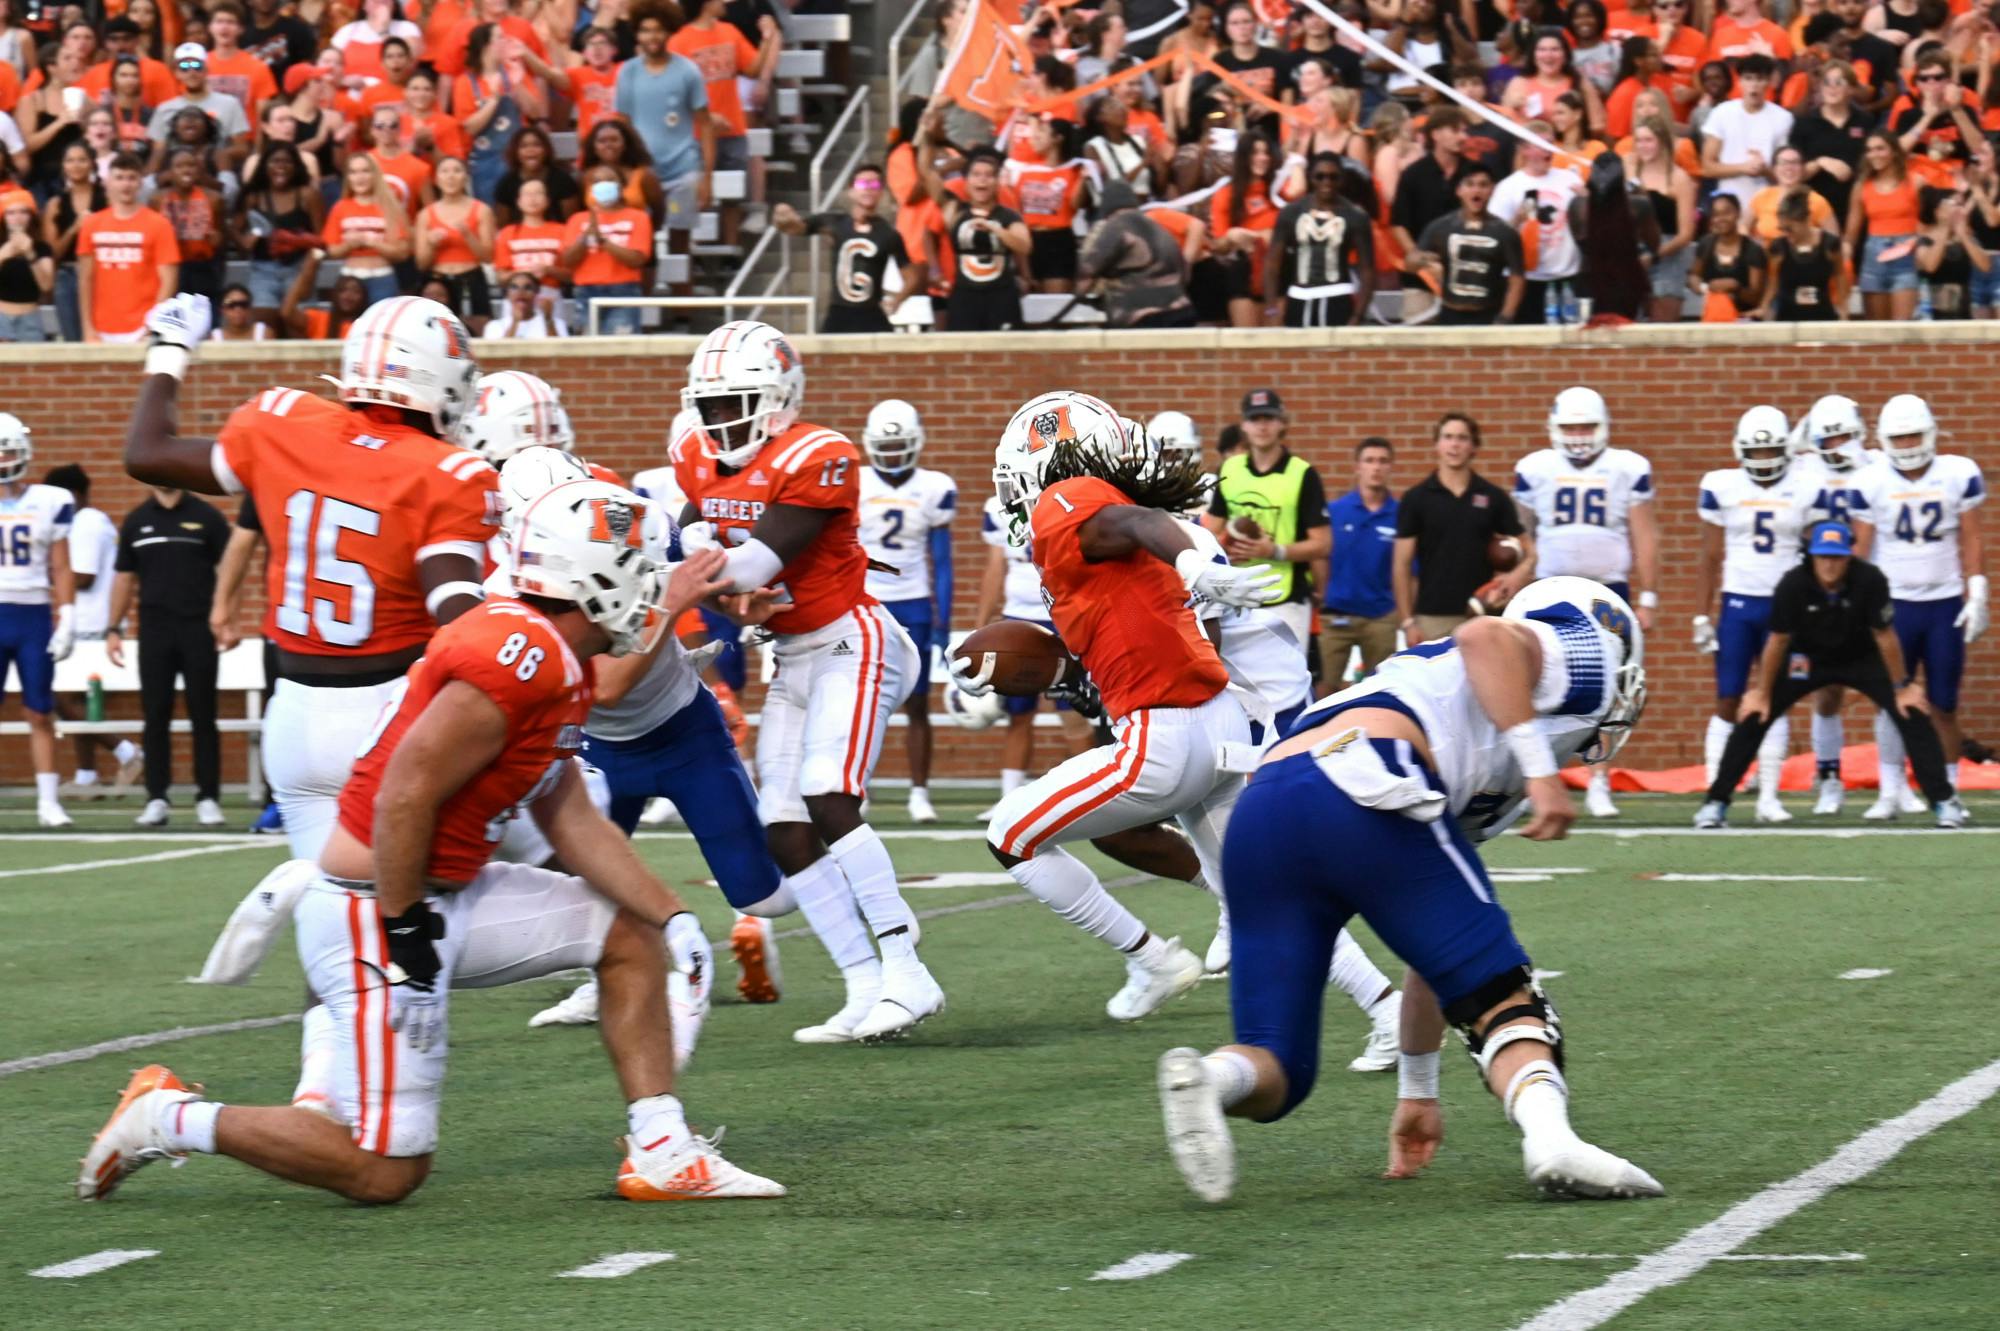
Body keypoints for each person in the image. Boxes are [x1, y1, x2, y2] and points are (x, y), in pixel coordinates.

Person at [79, 489, 787, 1206]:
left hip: (445, 893)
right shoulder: (525, 653)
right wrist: (408, 930)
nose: (652, 586)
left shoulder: (564, 658)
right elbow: (404, 792)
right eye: (640, 568)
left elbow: (569, 815)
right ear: (594, 576)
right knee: (384, 1172)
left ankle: (662, 1148)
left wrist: (673, 916)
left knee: (626, 933)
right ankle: (165, 1116)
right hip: (375, 909)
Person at [1157, 577, 1661, 1205]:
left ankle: (1209, 1078)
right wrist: (1541, 773)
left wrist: (1418, 1090)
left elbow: (1438, 953)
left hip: (1268, 807)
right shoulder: (1576, 645)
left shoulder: (1478, 732)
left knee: (1281, 1066)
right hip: (1368, 772)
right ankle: (1552, 1141)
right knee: (1507, 997)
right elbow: (1483, 635)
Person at [128, 291, 498, 1078]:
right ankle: (315, 880)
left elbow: (147, 452)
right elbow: (454, 606)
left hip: (294, 718)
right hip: (386, 710)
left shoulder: (282, 421)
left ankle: (316, 1090)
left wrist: (168, 349)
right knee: (484, 853)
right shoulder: (449, 472)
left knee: (341, 926)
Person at [448, 388, 783, 1022]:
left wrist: (733, 604)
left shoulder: (635, 522)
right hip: (595, 743)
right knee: (583, 879)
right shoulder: (506, 590)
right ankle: (607, 972)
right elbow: (603, 684)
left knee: (766, 896)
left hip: (678, 726)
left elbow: (681, 573)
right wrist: (674, 601)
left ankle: (837, 871)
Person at [672, 320, 944, 1044]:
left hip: (856, 640)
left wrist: (679, 582)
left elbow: (751, 567)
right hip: (793, 653)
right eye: (710, 405)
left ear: (779, 399)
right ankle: (862, 984)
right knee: (785, 829)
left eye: (736, 404)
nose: (719, 421)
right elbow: (696, 533)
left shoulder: (818, 453)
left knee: (828, 790)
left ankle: (906, 967)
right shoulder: (696, 455)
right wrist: (699, 573)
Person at [964, 391, 1277, 1020]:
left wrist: (1192, 564)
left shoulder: (1068, 501)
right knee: (1255, 891)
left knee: (1011, 835)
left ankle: (1153, 957)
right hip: (1217, 719)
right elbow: (1131, 638)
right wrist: (1053, 671)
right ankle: (1381, 1006)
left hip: (1172, 728)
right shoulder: (1131, 525)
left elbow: (1135, 531)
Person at [1696, 521, 1965, 828]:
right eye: (1823, 556)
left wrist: (1902, 685)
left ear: (1849, 556)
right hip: (1806, 659)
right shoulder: (1793, 583)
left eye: (1836, 557)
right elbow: (1778, 640)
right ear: (1811, 556)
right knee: (1755, 715)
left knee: (1911, 711)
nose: (1829, 564)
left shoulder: (1870, 579)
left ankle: (1944, 802)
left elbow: (1884, 635)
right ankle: (1715, 803)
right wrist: (1762, 692)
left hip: (1861, 658)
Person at [1511, 388, 1659, 818]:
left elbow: (1645, 535)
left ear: (1603, 428)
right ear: (1555, 429)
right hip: (1549, 589)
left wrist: (1648, 597)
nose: (1578, 436)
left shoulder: (1626, 468)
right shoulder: (1535, 469)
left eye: (1586, 427)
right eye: (1571, 427)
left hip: (1608, 591)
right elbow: (1520, 535)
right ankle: (1534, 779)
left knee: (1613, 688)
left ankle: (1599, 779)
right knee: (1538, 683)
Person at [1693, 405, 1834, 821]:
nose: (1764, 460)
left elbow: (1819, 556)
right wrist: (1701, 614)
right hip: (1738, 603)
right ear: (1740, 451)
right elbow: (1710, 556)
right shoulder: (1722, 486)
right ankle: (1717, 792)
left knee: (1776, 699)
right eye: (1755, 453)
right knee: (1728, 696)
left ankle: (1770, 796)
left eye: (1771, 450)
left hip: (1785, 609)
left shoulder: (1808, 487)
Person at [1849, 394, 1987, 819]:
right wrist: (1857, 606)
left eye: (1913, 435)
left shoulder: (1956, 473)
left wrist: (1977, 588)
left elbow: (1969, 536)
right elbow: (1861, 550)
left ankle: (1948, 792)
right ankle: (1891, 791)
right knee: (1892, 701)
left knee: (1944, 704)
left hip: (1944, 603)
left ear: (1929, 433)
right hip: (1896, 608)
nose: (1907, 445)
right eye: (1899, 437)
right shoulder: (1871, 481)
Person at [103, 482, 229, 826]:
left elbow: (230, 572)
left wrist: (227, 618)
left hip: (198, 630)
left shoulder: (207, 518)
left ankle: (208, 798)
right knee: (155, 715)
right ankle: (157, 798)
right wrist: (113, 628)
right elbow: (124, 578)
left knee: (204, 714)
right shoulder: (136, 521)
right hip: (154, 633)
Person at [855, 400, 955, 826]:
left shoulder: (933, 487)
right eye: (886, 446)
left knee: (917, 704)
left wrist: (942, 620)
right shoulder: (853, 483)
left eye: (900, 446)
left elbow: (942, 560)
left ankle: (919, 793)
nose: (893, 454)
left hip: (912, 601)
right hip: (865, 601)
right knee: (861, 703)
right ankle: (858, 789)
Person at [1204, 388, 1331, 652]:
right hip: (1236, 597)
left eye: (1269, 418)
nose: (1262, 426)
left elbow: (1322, 544)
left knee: (1288, 684)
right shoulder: (1230, 469)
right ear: (1244, 426)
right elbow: (1209, 531)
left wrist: (1274, 550)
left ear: (1282, 423)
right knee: (1236, 684)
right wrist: (1224, 550)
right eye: (1255, 419)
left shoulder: (1302, 473)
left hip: (1287, 598)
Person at [0, 414, 78, 827]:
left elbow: (62, 567)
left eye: (7, 450)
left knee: (39, 711)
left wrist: (67, 616)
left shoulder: (50, 501)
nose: (1, 460)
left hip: (32, 614)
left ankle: (48, 802)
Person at [1394, 413, 1533, 645]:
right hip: (1431, 617)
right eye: (1448, 437)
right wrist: (1408, 621)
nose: (1454, 444)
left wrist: (1516, 575)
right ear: (1437, 445)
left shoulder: (1493, 496)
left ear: (1473, 447)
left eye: (1462, 438)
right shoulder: (1416, 498)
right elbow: (1401, 564)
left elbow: (1530, 551)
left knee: (1484, 681)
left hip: (1483, 613)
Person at [46, 464, 141, 796]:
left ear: (72, 494)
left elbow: (82, 577)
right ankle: (87, 774)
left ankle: (127, 752)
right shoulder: (84, 522)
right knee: (75, 700)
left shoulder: (86, 523)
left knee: (55, 694)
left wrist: (37, 574)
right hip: (85, 626)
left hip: (93, 628)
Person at [668, 0, 780, 248]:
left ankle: (731, 248)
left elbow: (751, 69)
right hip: (695, 133)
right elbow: (673, 92)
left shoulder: (729, 31)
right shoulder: (679, 41)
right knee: (696, 194)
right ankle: (696, 250)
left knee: (733, 197)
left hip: (733, 126)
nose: (725, 3)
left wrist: (767, 39)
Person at [615, 8, 713, 270]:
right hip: (643, 172)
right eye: (646, 30)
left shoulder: (688, 71)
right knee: (642, 241)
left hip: (683, 169)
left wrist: (707, 177)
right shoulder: (628, 72)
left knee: (680, 244)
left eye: (658, 29)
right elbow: (622, 125)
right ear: (637, 34)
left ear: (669, 31)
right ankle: (646, 303)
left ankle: (682, 310)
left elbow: (705, 124)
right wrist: (625, 169)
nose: (652, 36)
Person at [771, 163, 914, 334]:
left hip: (872, 312)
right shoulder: (834, 223)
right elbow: (797, 227)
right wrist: (783, 215)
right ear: (851, 190)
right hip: (840, 311)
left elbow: (912, 276)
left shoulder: (888, 234)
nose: (868, 190)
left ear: (881, 192)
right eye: (862, 184)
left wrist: (897, 300)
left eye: (874, 185)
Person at [914, 124, 1030, 332]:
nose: (982, 180)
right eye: (976, 175)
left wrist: (996, 230)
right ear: (966, 182)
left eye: (988, 175)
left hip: (1002, 296)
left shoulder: (1007, 215)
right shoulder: (956, 210)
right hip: (965, 296)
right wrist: (928, 136)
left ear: (997, 182)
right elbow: (927, 172)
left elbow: (1025, 246)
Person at [1321, 437, 1400, 689]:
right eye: (1369, 461)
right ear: (1357, 467)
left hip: (1381, 618)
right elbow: (1320, 557)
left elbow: (1410, 569)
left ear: (1391, 467)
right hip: (1335, 617)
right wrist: (1323, 597)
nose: (1376, 467)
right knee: (1325, 690)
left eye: (1382, 461)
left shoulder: (1401, 515)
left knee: (1380, 690)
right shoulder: (1335, 511)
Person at [76, 153, 179, 343]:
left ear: (141, 182)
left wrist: (152, 328)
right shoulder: (91, 225)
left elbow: (168, 281)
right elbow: (85, 280)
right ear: (108, 182)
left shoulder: (160, 225)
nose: (126, 184)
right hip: (101, 328)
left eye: (132, 178)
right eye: (120, 178)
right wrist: (87, 328)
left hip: (144, 327)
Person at [1265, 151, 1374, 327]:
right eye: (1320, 177)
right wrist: (1271, 309)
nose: (1326, 182)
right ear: (1310, 178)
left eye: (1333, 177)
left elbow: (1367, 270)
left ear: (1342, 179)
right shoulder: (1290, 213)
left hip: (1338, 297)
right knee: (1298, 353)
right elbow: (1272, 263)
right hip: (1298, 297)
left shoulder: (1355, 216)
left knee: (1334, 353)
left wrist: (1357, 315)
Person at [1490, 125, 1585, 323]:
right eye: (1541, 145)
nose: (1548, 150)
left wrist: (1587, 201)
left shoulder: (1570, 179)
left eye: (1550, 143)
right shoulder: (1508, 187)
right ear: (1524, 150)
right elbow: (1493, 237)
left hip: (1566, 275)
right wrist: (1517, 219)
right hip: (1526, 279)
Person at [1412, 161, 1526, 324]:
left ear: (1492, 190)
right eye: (1470, 184)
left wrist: (1505, 317)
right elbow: (1411, 261)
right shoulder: (1441, 227)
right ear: (1459, 190)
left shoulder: (1505, 232)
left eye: (1483, 185)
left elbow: (1517, 278)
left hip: (1488, 313)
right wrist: (1422, 260)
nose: (1476, 190)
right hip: (1450, 313)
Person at [1076, 179, 1194, 328]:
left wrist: (1076, 301)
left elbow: (1087, 272)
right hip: (1181, 310)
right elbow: (1185, 273)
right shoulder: (1159, 228)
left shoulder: (1116, 226)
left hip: (1142, 316)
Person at [562, 163, 653, 335]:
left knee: (620, 347)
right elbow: (567, 261)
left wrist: (603, 241)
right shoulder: (577, 219)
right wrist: (585, 237)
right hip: (586, 291)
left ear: (621, 185)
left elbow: (637, 260)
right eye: (597, 181)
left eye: (610, 179)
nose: (603, 184)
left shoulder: (638, 218)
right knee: (586, 348)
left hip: (624, 291)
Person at [1701, 54, 1795, 212]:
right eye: (1748, 78)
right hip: (1729, 203)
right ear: (1740, 82)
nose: (1754, 85)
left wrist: (1765, 170)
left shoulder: (1783, 118)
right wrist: (1743, 168)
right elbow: (1707, 166)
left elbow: (1788, 173)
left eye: (1759, 79)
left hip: (1768, 203)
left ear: (1769, 82)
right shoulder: (1722, 113)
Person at [1843, 130, 1920, 321]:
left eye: (1880, 149)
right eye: (1870, 150)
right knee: (1876, 330)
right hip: (1873, 255)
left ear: (1893, 151)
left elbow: (1928, 221)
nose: (1874, 154)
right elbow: (1851, 232)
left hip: (1906, 253)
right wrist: (1844, 258)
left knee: (1902, 330)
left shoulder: (1915, 182)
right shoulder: (1862, 186)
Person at [414, 155, 496, 333]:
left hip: (471, 279)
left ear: (466, 177)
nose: (451, 176)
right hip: (438, 281)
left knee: (477, 330)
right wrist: (431, 245)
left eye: (457, 171)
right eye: (445, 171)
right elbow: (421, 263)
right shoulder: (426, 215)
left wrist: (468, 236)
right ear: (436, 179)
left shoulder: (481, 210)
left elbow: (488, 256)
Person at [321, 151, 411, 307]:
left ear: (375, 174)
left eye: (365, 171)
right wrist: (349, 245)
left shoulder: (390, 207)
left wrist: (371, 243)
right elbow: (330, 250)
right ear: (348, 177)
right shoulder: (340, 207)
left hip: (382, 278)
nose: (359, 177)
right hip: (349, 279)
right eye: (354, 172)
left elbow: (402, 252)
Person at [1759, 188, 1848, 320]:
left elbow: (1840, 276)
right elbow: (1773, 284)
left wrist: (1843, 309)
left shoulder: (1830, 245)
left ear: (1806, 220)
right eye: (1782, 229)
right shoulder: (1778, 248)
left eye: (1790, 229)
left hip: (1822, 314)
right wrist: (1764, 307)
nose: (1786, 234)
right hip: (1787, 316)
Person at [1691, 193, 1767, 317]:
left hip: (1744, 319)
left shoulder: (1753, 251)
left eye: (1727, 213)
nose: (1721, 218)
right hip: (1713, 316)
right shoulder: (1706, 244)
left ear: (1738, 213)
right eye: (1716, 214)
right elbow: (1694, 275)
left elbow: (1756, 297)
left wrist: (1735, 287)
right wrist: (1705, 288)